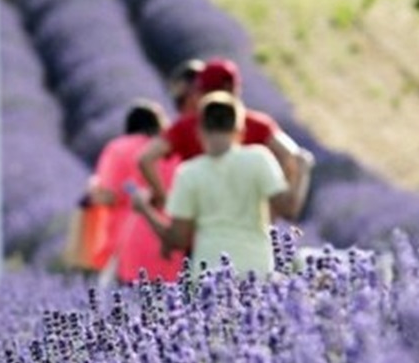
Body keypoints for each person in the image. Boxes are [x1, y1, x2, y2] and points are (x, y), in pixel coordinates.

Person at [131, 90, 314, 278]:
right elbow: (289, 209)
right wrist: (302, 171)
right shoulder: (259, 159)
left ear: (199, 131)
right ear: (240, 131)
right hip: (256, 271)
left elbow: (177, 238)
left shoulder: (189, 173)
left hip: (208, 274)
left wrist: (144, 209)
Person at [137, 57, 310, 218]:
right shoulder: (259, 125)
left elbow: (146, 158)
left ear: (201, 91)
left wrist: (163, 198)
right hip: (249, 223)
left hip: (201, 220)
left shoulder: (186, 126)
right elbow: (294, 158)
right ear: (235, 89)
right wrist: (272, 207)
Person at [84, 99, 185, 285]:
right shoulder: (170, 150)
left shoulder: (118, 148)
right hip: (169, 235)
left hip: (128, 237)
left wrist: (92, 193)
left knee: (124, 297)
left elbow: (108, 195)